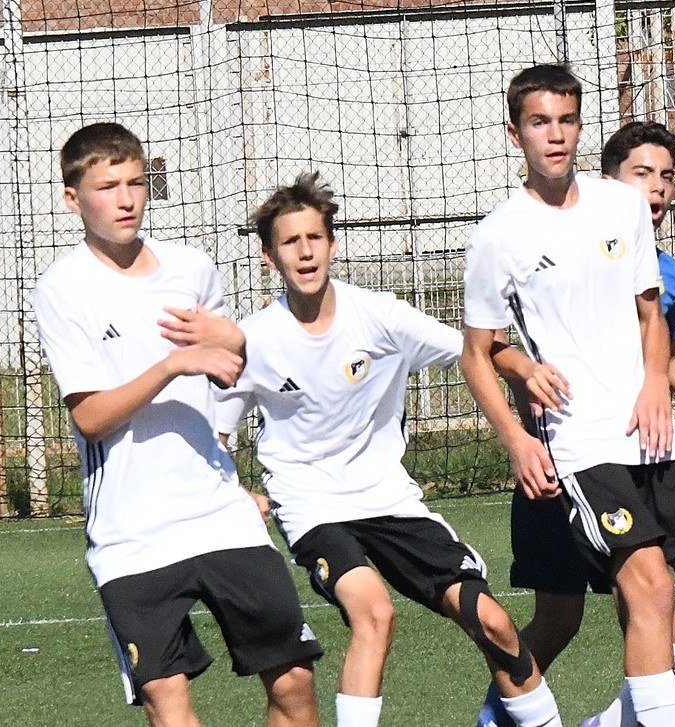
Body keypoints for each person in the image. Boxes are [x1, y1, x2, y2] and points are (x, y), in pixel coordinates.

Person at [214, 172, 563, 727]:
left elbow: (473, 351)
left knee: (494, 622)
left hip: (388, 498)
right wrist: (233, 493)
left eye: (314, 238)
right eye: (290, 242)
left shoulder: (380, 315)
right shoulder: (252, 339)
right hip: (311, 505)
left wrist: (523, 370)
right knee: (374, 612)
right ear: (268, 256)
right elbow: (214, 438)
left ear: (332, 244)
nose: (305, 252)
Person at [462, 65, 675, 727]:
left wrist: (655, 385)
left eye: (565, 120)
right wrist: (517, 435)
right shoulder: (499, 234)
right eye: (539, 122)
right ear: (515, 133)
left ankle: (619, 718)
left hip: (649, 432)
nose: (554, 135)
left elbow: (651, 316)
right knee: (644, 588)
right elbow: (477, 351)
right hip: (579, 441)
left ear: (581, 127)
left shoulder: (621, 206)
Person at [32, 122, 323, 727]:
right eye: (108, 186)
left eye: (136, 183)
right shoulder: (62, 289)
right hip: (130, 534)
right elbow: (90, 418)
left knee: (294, 680)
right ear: (72, 198)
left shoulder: (192, 268)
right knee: (167, 699)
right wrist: (170, 365)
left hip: (219, 515)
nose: (126, 199)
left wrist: (234, 343)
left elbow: (231, 372)